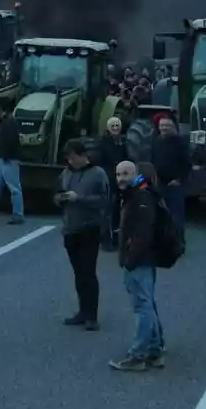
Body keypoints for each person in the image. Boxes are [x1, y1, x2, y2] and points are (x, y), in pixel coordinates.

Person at [109, 160, 166, 371]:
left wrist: (130, 259)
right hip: (141, 259)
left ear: (135, 174)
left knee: (142, 306)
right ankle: (155, 350)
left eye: (126, 174)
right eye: (118, 174)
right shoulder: (137, 193)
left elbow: (143, 233)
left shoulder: (141, 198)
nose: (121, 178)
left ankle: (138, 356)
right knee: (148, 303)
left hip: (139, 260)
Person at [55, 140, 110, 330]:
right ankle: (82, 311)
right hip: (70, 229)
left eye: (73, 157)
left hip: (89, 229)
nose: (70, 161)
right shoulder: (66, 172)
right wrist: (59, 199)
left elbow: (104, 201)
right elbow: (58, 192)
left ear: (82, 155)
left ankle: (92, 316)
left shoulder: (98, 174)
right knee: (78, 273)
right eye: (68, 158)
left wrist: (80, 198)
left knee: (88, 272)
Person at [151, 115, 189, 237]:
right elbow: (152, 160)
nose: (164, 128)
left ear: (172, 127)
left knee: (176, 215)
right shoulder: (157, 141)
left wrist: (179, 180)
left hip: (174, 184)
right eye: (162, 126)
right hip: (159, 183)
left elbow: (187, 164)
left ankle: (178, 241)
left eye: (167, 126)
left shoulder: (180, 143)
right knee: (159, 214)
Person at [97, 116, 129, 250]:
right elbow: (102, 161)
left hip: (120, 181)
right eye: (113, 126)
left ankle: (116, 238)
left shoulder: (122, 142)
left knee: (117, 211)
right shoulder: (103, 143)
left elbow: (126, 158)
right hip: (109, 180)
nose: (115, 128)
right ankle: (105, 240)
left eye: (117, 125)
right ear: (108, 128)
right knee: (107, 211)